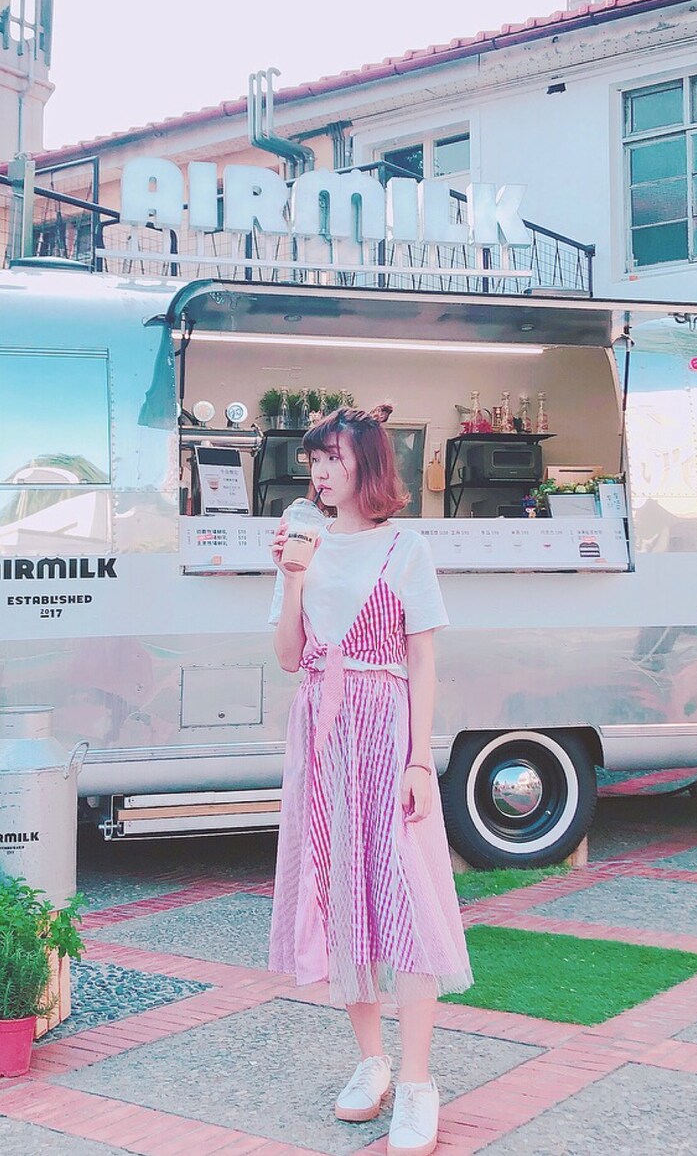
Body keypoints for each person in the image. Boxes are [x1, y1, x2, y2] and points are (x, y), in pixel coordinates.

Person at [268, 403, 472, 1156]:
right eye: (314, 459)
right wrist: (291, 578)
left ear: (368, 464)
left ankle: (417, 1082)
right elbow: (288, 657)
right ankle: (371, 1062)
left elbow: (422, 660)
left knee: (406, 901)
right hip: (322, 739)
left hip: (386, 732)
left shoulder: (405, 547)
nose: (320, 472)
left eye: (334, 458)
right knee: (341, 894)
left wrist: (420, 759)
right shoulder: (304, 543)